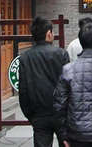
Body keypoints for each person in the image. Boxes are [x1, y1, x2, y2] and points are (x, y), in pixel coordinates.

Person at [18, 17, 70, 147]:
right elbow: (68, 85)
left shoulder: (25, 57)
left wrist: (30, 114)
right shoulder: (61, 54)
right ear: (48, 33)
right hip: (61, 112)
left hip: (38, 113)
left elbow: (23, 90)